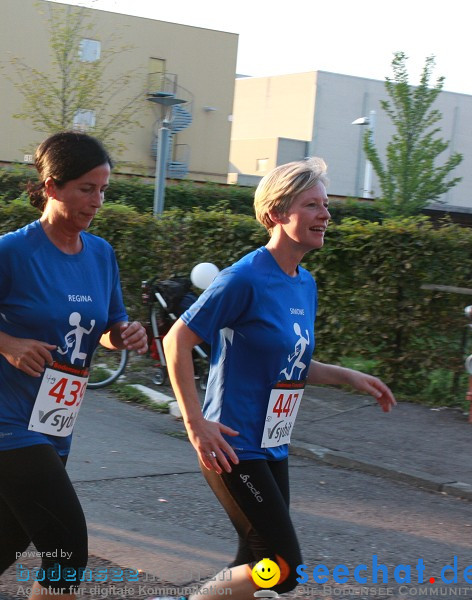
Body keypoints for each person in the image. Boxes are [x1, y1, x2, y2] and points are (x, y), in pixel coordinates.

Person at [162, 157, 396, 599]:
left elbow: (288, 363)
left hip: (272, 442)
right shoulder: (244, 278)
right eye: (312, 205)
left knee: (255, 561)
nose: (326, 214)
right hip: (232, 444)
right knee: (281, 567)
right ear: (275, 214)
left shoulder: (303, 283)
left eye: (326, 205)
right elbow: (176, 341)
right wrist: (196, 424)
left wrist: (349, 376)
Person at [0, 131, 148, 600]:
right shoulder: (11, 251)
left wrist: (124, 334)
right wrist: (6, 343)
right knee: (68, 550)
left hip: (55, 421)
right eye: (86, 189)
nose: (98, 201)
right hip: (5, 424)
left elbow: (108, 326)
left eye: (104, 189)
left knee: (1, 546)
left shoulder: (100, 253)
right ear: (51, 186)